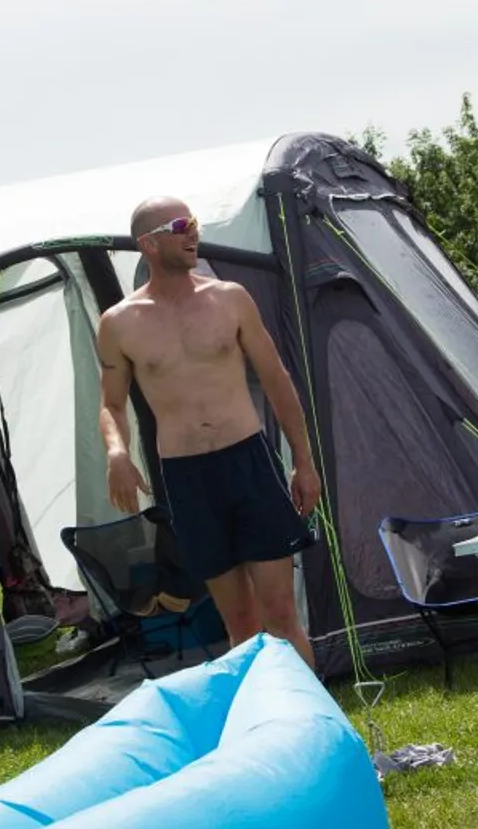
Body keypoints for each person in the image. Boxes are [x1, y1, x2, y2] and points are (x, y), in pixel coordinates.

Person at [96, 196, 323, 670]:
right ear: (149, 244)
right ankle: (263, 732)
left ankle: (317, 727)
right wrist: (118, 453)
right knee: (238, 623)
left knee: (281, 614)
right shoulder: (119, 323)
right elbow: (111, 405)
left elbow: (278, 379)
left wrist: (304, 461)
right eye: (180, 225)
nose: (192, 232)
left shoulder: (230, 298)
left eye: (194, 222)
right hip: (186, 477)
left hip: (248, 462)